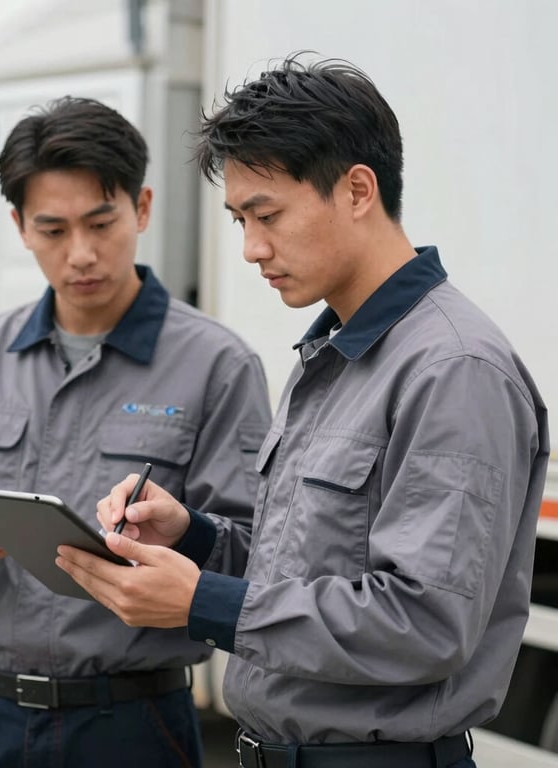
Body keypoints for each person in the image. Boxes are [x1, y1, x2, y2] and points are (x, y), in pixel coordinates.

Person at [55, 54, 550, 768]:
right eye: (239, 219)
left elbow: (425, 621)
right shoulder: (330, 357)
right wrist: (192, 537)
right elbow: (304, 568)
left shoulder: (453, 370)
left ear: (356, 190)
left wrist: (205, 604)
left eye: (268, 215)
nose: (253, 248)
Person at [0, 96, 272, 768]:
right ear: (19, 226)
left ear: (142, 208)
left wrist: (184, 531)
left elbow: (261, 556)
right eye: (53, 230)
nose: (82, 254)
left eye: (102, 222)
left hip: (135, 727)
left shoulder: (218, 365)